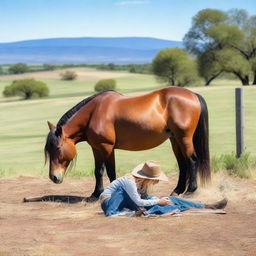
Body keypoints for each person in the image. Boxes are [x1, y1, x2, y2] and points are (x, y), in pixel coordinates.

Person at [99, 161, 227, 217]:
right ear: (148, 179)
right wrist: (157, 201)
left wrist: (159, 199)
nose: (156, 183)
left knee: (168, 199)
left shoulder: (139, 183)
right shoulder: (129, 183)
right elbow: (138, 202)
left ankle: (206, 206)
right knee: (155, 204)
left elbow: (142, 199)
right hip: (110, 203)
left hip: (125, 201)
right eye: (155, 180)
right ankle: (175, 208)